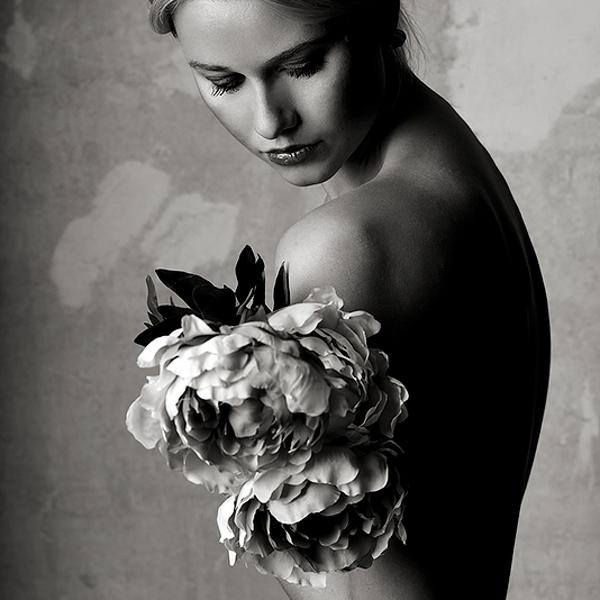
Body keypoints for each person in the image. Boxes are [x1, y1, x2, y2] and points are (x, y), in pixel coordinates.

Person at [147, 1, 551, 598]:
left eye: (303, 65)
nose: (270, 121)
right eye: (224, 82)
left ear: (378, 16)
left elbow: (343, 584)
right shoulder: (450, 163)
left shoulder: (345, 244)